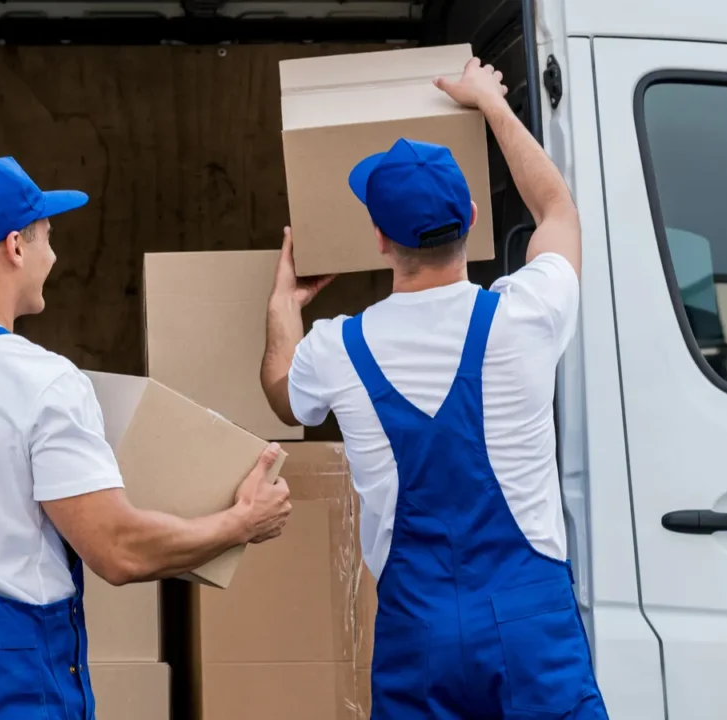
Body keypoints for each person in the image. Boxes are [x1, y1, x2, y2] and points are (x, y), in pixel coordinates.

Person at [0, 156, 292, 719]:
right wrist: (240, 522)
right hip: (14, 692)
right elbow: (117, 551)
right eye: (48, 237)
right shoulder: (41, 380)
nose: (55, 256)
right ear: (15, 248)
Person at [261, 57, 609, 719]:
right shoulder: (525, 317)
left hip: (417, 639)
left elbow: (283, 395)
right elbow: (557, 209)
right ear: (473, 217)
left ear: (380, 238)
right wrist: (491, 105)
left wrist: (283, 309)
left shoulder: (336, 348)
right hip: (531, 630)